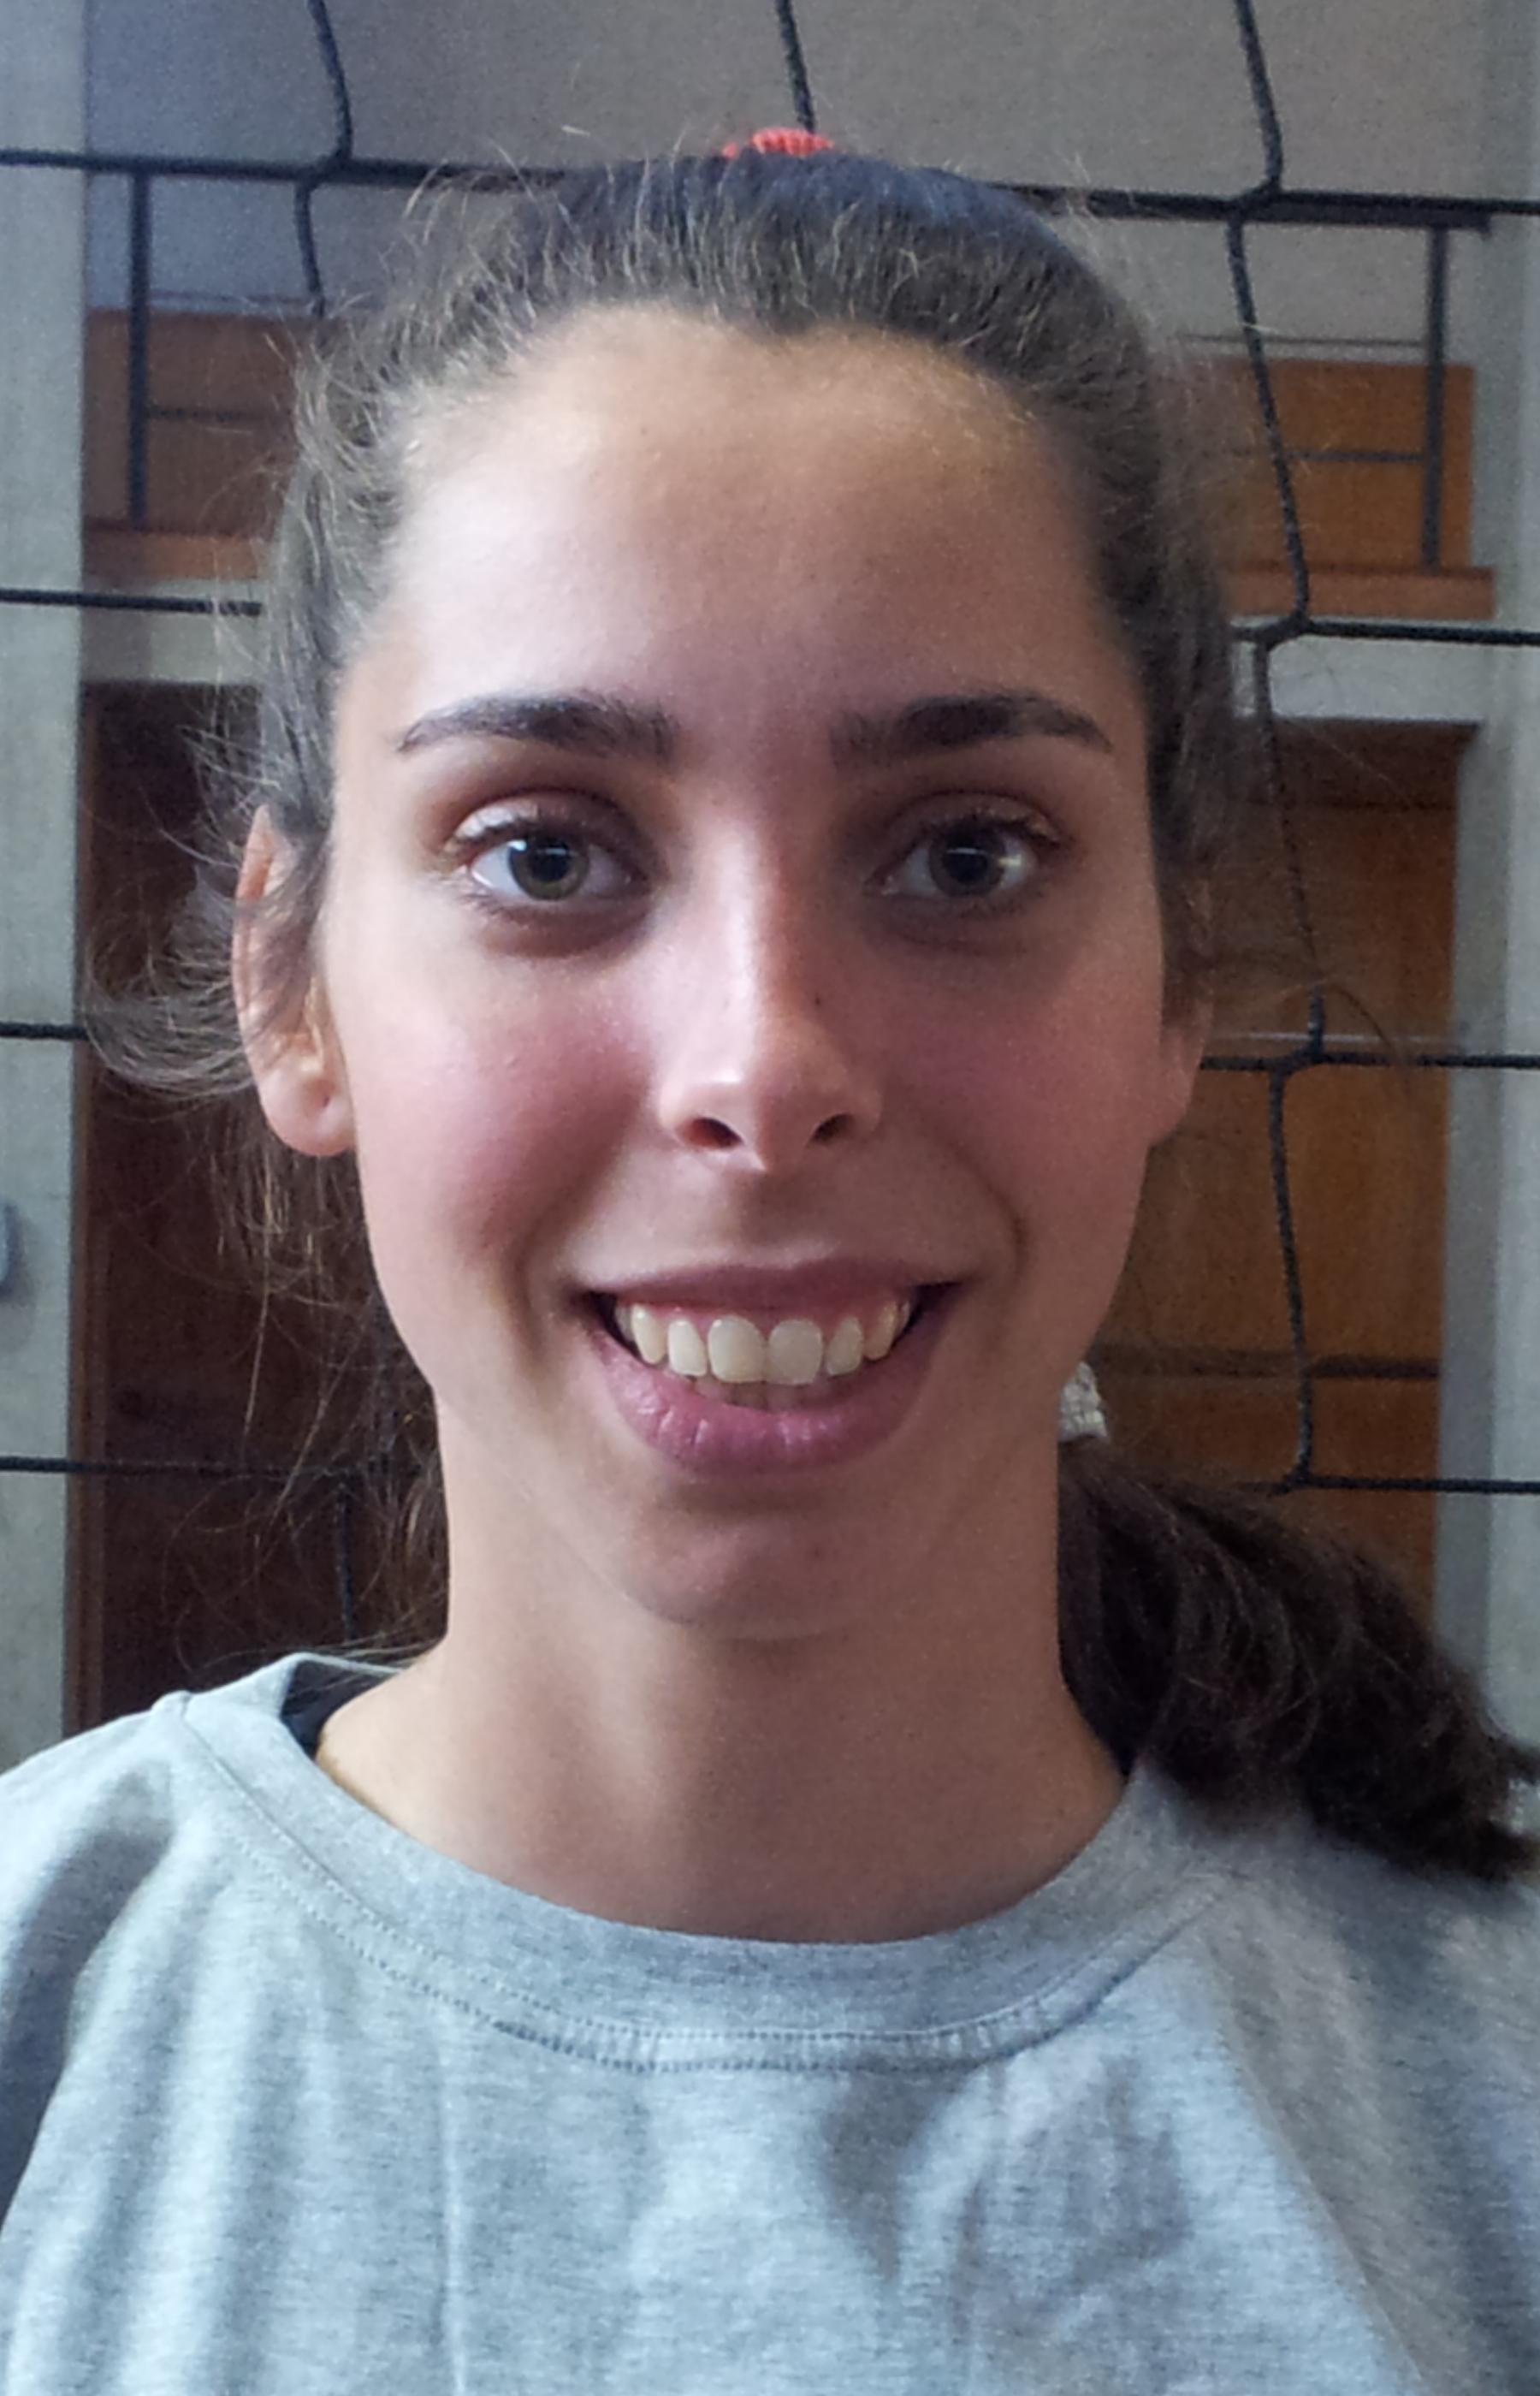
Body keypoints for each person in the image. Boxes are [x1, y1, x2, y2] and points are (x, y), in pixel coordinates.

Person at [3, 135, 1538, 2392]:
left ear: (1179, 983)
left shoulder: (1480, 2104)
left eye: (966, 855)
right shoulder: (47, 2010)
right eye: (546, 853)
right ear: (289, 984)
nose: (764, 1066)